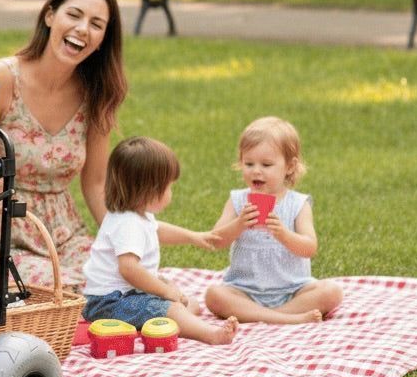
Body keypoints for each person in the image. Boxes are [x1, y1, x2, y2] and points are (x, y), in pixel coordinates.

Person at [0, 0, 128, 292]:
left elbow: (96, 183)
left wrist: (125, 244)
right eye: (73, 15)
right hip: (3, 237)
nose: (82, 29)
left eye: (96, 24)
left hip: (65, 234)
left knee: (128, 282)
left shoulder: (97, 95)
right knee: (63, 293)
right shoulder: (0, 79)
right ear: (50, 16)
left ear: (102, 39)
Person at [82, 136, 239, 345]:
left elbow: (157, 230)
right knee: (171, 307)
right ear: (149, 191)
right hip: (108, 304)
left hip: (127, 296)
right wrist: (164, 291)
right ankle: (211, 335)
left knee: (188, 303)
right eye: (168, 187)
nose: (171, 193)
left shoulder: (137, 215)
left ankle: (177, 319)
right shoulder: (127, 223)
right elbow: (128, 268)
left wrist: (192, 236)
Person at [205, 117, 343, 324]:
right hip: (245, 291)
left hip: (293, 290)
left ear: (289, 166)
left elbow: (309, 248)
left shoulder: (298, 204)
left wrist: (282, 233)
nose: (256, 170)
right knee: (214, 295)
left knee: (331, 292)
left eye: (266, 164)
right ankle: (284, 318)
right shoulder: (237, 200)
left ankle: (272, 314)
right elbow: (215, 240)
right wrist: (239, 224)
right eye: (248, 163)